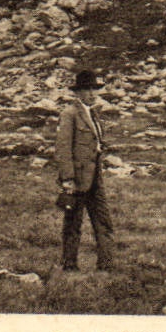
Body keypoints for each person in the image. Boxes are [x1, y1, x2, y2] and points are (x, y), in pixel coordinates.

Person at [55, 69, 115, 272]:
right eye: (87, 90)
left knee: (103, 220)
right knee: (73, 223)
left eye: (94, 89)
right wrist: (67, 179)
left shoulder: (94, 113)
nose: (92, 93)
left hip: (95, 176)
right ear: (77, 93)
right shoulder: (69, 114)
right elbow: (63, 148)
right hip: (78, 178)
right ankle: (69, 265)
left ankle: (106, 265)